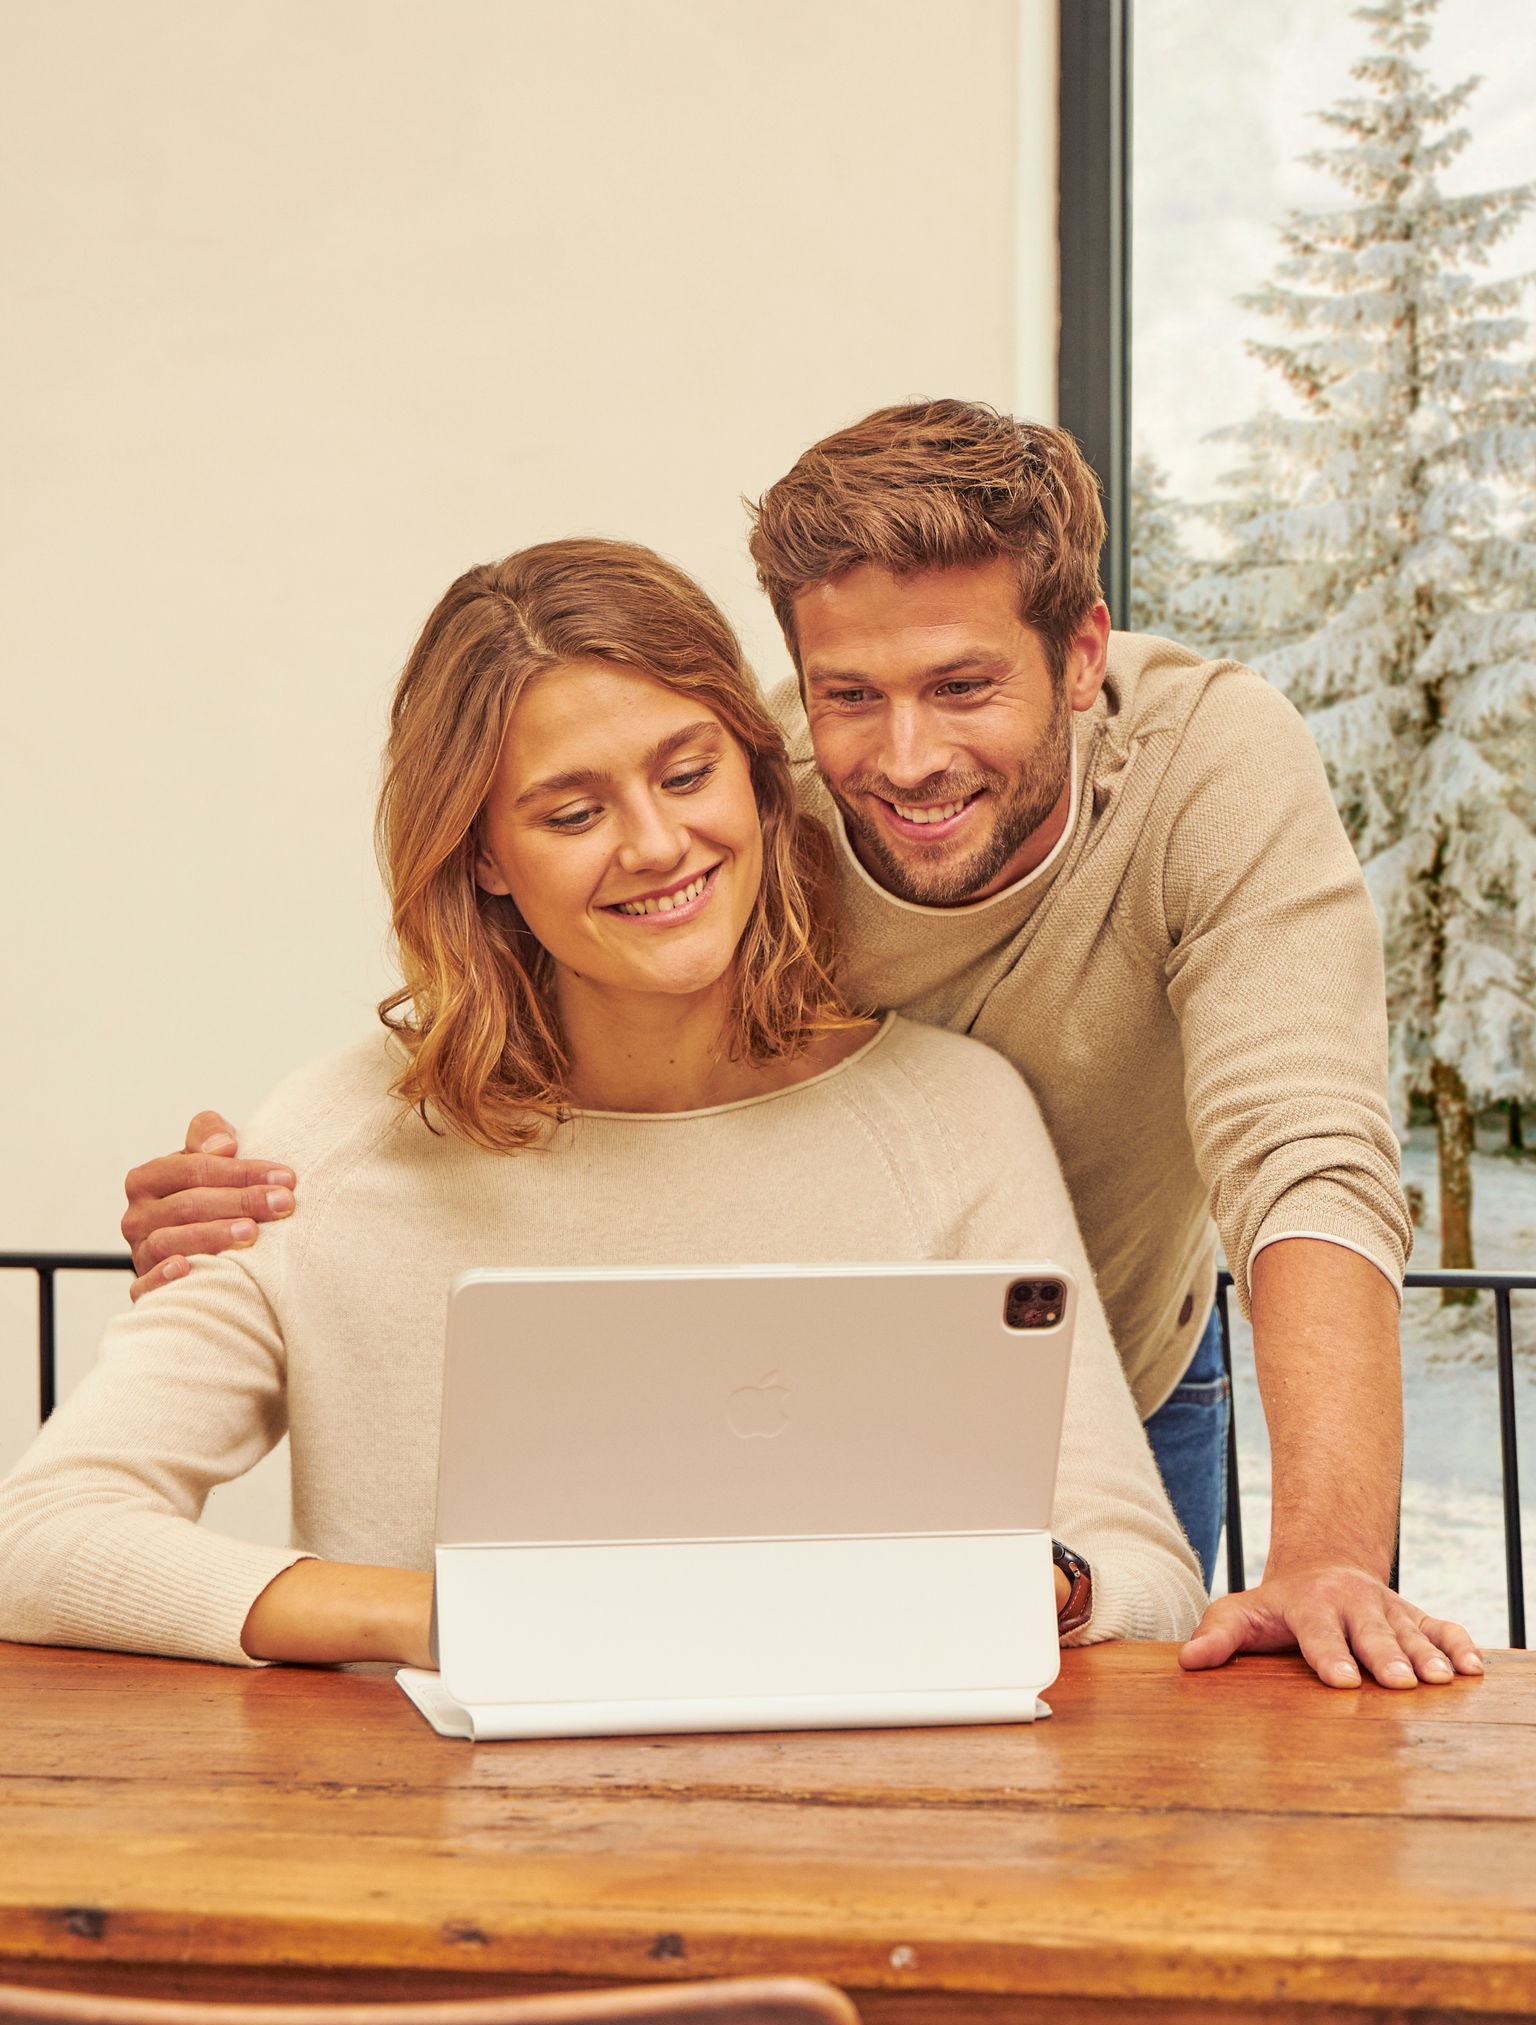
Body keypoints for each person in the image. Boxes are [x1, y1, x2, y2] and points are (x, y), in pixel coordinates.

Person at [118, 405, 1482, 1692]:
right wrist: (296, 1185)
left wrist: (1325, 1556)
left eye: (963, 684)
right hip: (775, 1406)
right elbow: (537, 976)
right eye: (849, 695)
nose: (907, 757)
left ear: (1081, 656)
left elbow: (1304, 1146)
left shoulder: (1207, 770)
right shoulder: (733, 795)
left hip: (1110, 1360)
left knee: (1106, 1744)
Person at [0, 538, 1204, 1669]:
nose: (656, 843)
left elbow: (1145, 1574)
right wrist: (458, 1618)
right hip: (434, 1811)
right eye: (572, 813)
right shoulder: (324, 1146)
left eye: (688, 774)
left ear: (758, 780)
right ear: (482, 853)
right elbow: (40, 1537)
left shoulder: (952, 1117)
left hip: (862, 1795)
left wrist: (1010, 1587)